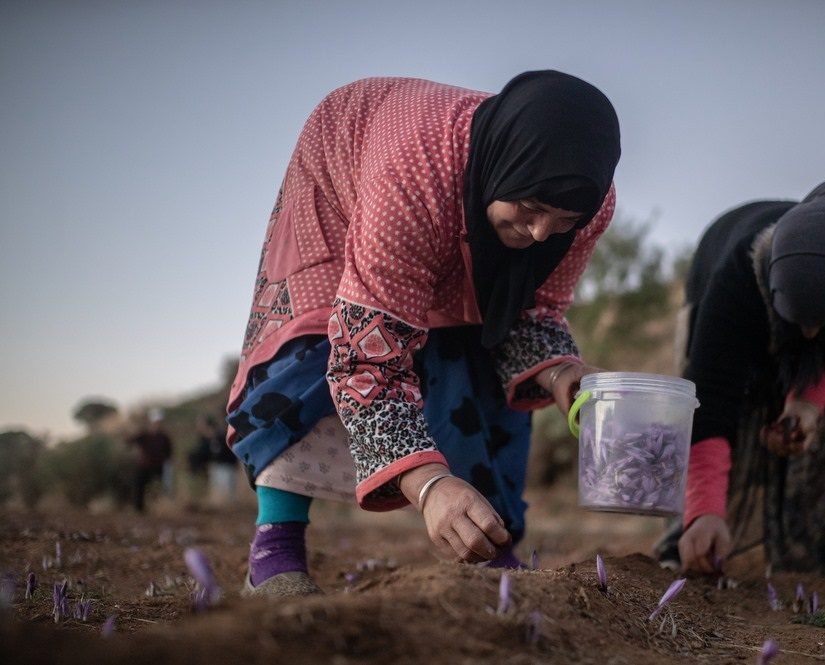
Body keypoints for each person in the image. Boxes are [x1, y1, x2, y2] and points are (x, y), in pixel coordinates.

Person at [226, 71, 621, 596]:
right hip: (347, 184)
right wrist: (429, 485)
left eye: (563, 218)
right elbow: (365, 360)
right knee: (318, 342)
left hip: (435, 201)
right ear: (502, 167)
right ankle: (276, 545)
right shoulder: (410, 178)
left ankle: (485, 540)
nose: (542, 233)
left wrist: (565, 375)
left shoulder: (590, 208)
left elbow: (533, 310)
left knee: (473, 347)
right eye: (530, 209)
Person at [654, 179, 825, 577]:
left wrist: (807, 403)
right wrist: (704, 508)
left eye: (824, 323)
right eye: (798, 320)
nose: (809, 336)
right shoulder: (736, 278)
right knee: (712, 414)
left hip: (819, 310)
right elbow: (710, 397)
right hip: (722, 282)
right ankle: (689, 538)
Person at [127, 408, 174, 513]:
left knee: (162, 487)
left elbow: (169, 453)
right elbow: (130, 441)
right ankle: (139, 509)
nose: (157, 424)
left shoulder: (164, 437)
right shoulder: (144, 435)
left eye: (159, 422)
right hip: (144, 466)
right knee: (139, 485)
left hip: (158, 466)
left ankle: (161, 507)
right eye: (155, 422)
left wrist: (167, 465)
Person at [189, 415, 238, 505]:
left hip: (226, 467)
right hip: (216, 468)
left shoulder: (222, 437)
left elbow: (230, 453)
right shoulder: (206, 440)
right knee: (217, 492)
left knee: (227, 493)